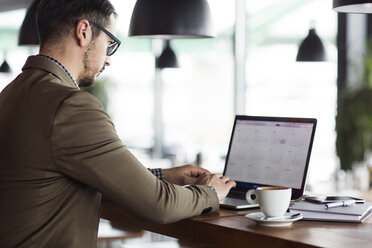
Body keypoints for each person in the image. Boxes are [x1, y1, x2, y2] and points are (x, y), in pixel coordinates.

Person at [0, 0, 236, 247]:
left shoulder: (12, 94)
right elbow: (157, 205)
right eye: (109, 43)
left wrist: (163, 175)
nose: (109, 59)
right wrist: (211, 192)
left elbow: (60, 182)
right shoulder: (70, 106)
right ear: (84, 31)